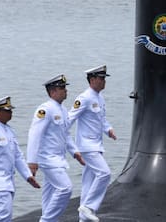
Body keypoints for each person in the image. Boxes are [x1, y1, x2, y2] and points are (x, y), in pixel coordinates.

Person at [27, 75, 86, 222]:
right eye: (62, 88)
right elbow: (34, 135)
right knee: (65, 188)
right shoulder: (45, 110)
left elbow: (65, 135)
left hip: (58, 159)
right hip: (47, 159)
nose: (66, 91)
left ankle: (49, 218)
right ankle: (47, 220)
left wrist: (75, 152)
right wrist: (31, 161)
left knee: (50, 192)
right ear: (52, 91)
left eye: (65, 88)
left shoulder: (63, 110)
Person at [69, 65, 117, 222]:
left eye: (104, 78)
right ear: (92, 80)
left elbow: (101, 119)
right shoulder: (84, 98)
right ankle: (89, 206)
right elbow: (70, 118)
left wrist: (108, 129)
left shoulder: (99, 98)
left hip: (97, 145)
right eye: (101, 78)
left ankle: (84, 218)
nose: (104, 82)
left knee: (88, 182)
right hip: (86, 146)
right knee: (105, 173)